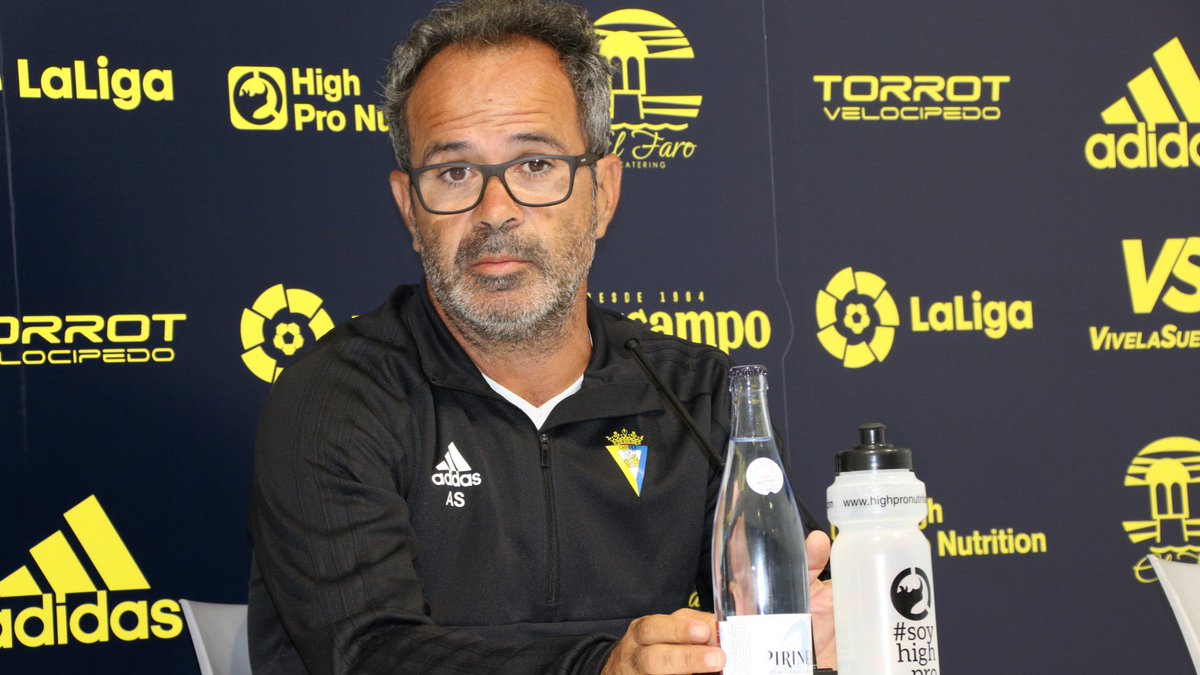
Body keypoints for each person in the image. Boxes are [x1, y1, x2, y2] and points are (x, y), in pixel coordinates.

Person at [248, 0, 835, 672]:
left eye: (534, 165)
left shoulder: (699, 396)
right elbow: (370, 653)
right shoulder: (337, 399)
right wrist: (598, 667)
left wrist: (826, 627)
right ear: (409, 209)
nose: (495, 211)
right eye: (454, 172)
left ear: (604, 192)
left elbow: (796, 601)